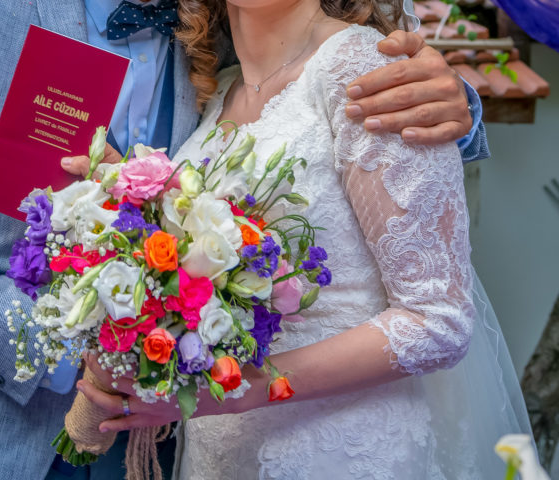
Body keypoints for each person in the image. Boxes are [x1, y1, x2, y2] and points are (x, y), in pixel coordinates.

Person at [0, 1, 487, 480]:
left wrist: (454, 99)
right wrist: (76, 351)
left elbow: (343, 84)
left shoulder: (212, 31)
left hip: (199, 441)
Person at [75, 0, 534, 478]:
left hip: (338, 450)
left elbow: (438, 321)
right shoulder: (221, 91)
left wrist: (231, 390)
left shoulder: (367, 71)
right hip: (220, 456)